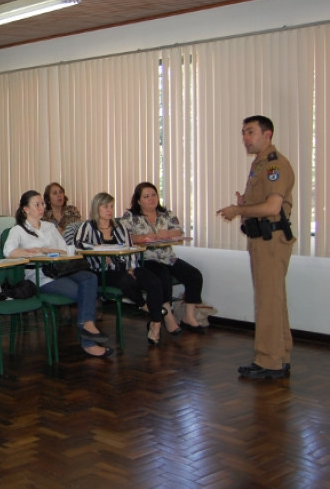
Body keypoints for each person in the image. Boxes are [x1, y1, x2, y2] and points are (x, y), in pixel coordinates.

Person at [217, 115, 295, 379]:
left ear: (267, 134)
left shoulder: (275, 165)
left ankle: (268, 361)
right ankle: (280, 355)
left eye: (250, 132)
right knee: (274, 300)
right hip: (262, 239)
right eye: (243, 133)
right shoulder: (259, 165)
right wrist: (245, 202)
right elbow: (262, 202)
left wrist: (238, 209)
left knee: (267, 302)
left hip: (270, 240)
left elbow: (273, 207)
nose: (245, 138)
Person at [3, 190, 110, 358]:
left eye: (42, 204)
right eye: (36, 205)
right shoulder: (18, 230)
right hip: (40, 274)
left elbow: (63, 250)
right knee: (81, 291)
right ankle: (88, 341)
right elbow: (8, 251)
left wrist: (49, 250)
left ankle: (87, 325)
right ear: (26, 209)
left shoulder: (49, 227)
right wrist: (34, 252)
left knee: (90, 278)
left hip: (62, 269)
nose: (41, 207)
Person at [74, 193, 181, 345]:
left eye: (111, 206)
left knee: (153, 280)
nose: (109, 210)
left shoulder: (119, 227)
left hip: (124, 267)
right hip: (101, 271)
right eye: (105, 207)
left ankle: (155, 325)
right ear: (96, 208)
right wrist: (100, 249)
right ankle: (145, 306)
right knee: (124, 280)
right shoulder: (87, 226)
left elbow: (130, 248)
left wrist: (131, 267)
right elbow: (79, 245)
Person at [122, 182, 206, 333]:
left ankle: (189, 317)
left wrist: (167, 234)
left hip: (167, 257)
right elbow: (123, 237)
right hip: (146, 259)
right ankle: (169, 318)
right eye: (146, 196)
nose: (151, 199)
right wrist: (143, 237)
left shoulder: (166, 214)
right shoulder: (131, 216)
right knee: (163, 277)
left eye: (154, 195)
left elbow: (178, 231)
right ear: (139, 200)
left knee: (194, 275)